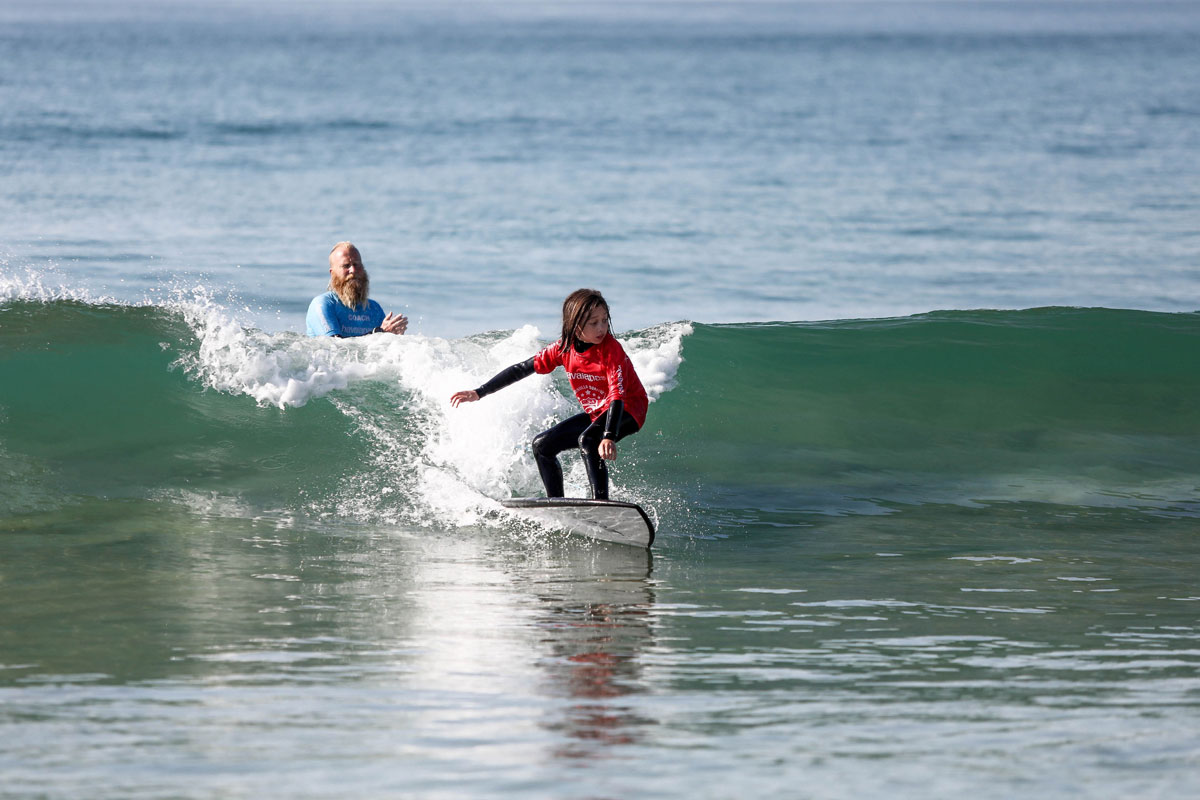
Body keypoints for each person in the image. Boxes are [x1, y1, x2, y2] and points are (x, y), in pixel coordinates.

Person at [450, 288, 648, 501]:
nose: (602, 328)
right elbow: (521, 369)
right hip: (598, 413)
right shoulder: (563, 348)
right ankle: (557, 503)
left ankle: (601, 503)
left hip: (629, 408)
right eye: (594, 323)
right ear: (575, 325)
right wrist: (480, 392)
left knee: (589, 439)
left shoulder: (611, 350)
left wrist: (608, 436)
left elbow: (617, 396)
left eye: (604, 320)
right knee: (542, 446)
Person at [306, 241, 409, 337]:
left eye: (356, 264)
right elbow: (335, 347)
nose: (353, 270)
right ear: (332, 273)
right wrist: (380, 333)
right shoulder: (323, 304)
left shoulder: (374, 309)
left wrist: (394, 339)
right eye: (346, 266)